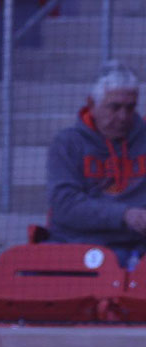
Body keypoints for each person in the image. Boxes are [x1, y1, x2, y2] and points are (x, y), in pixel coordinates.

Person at [47, 67, 146, 268]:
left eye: (130, 107)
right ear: (92, 105)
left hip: (136, 246)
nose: (123, 117)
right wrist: (124, 215)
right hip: (76, 245)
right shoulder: (67, 143)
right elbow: (65, 206)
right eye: (114, 107)